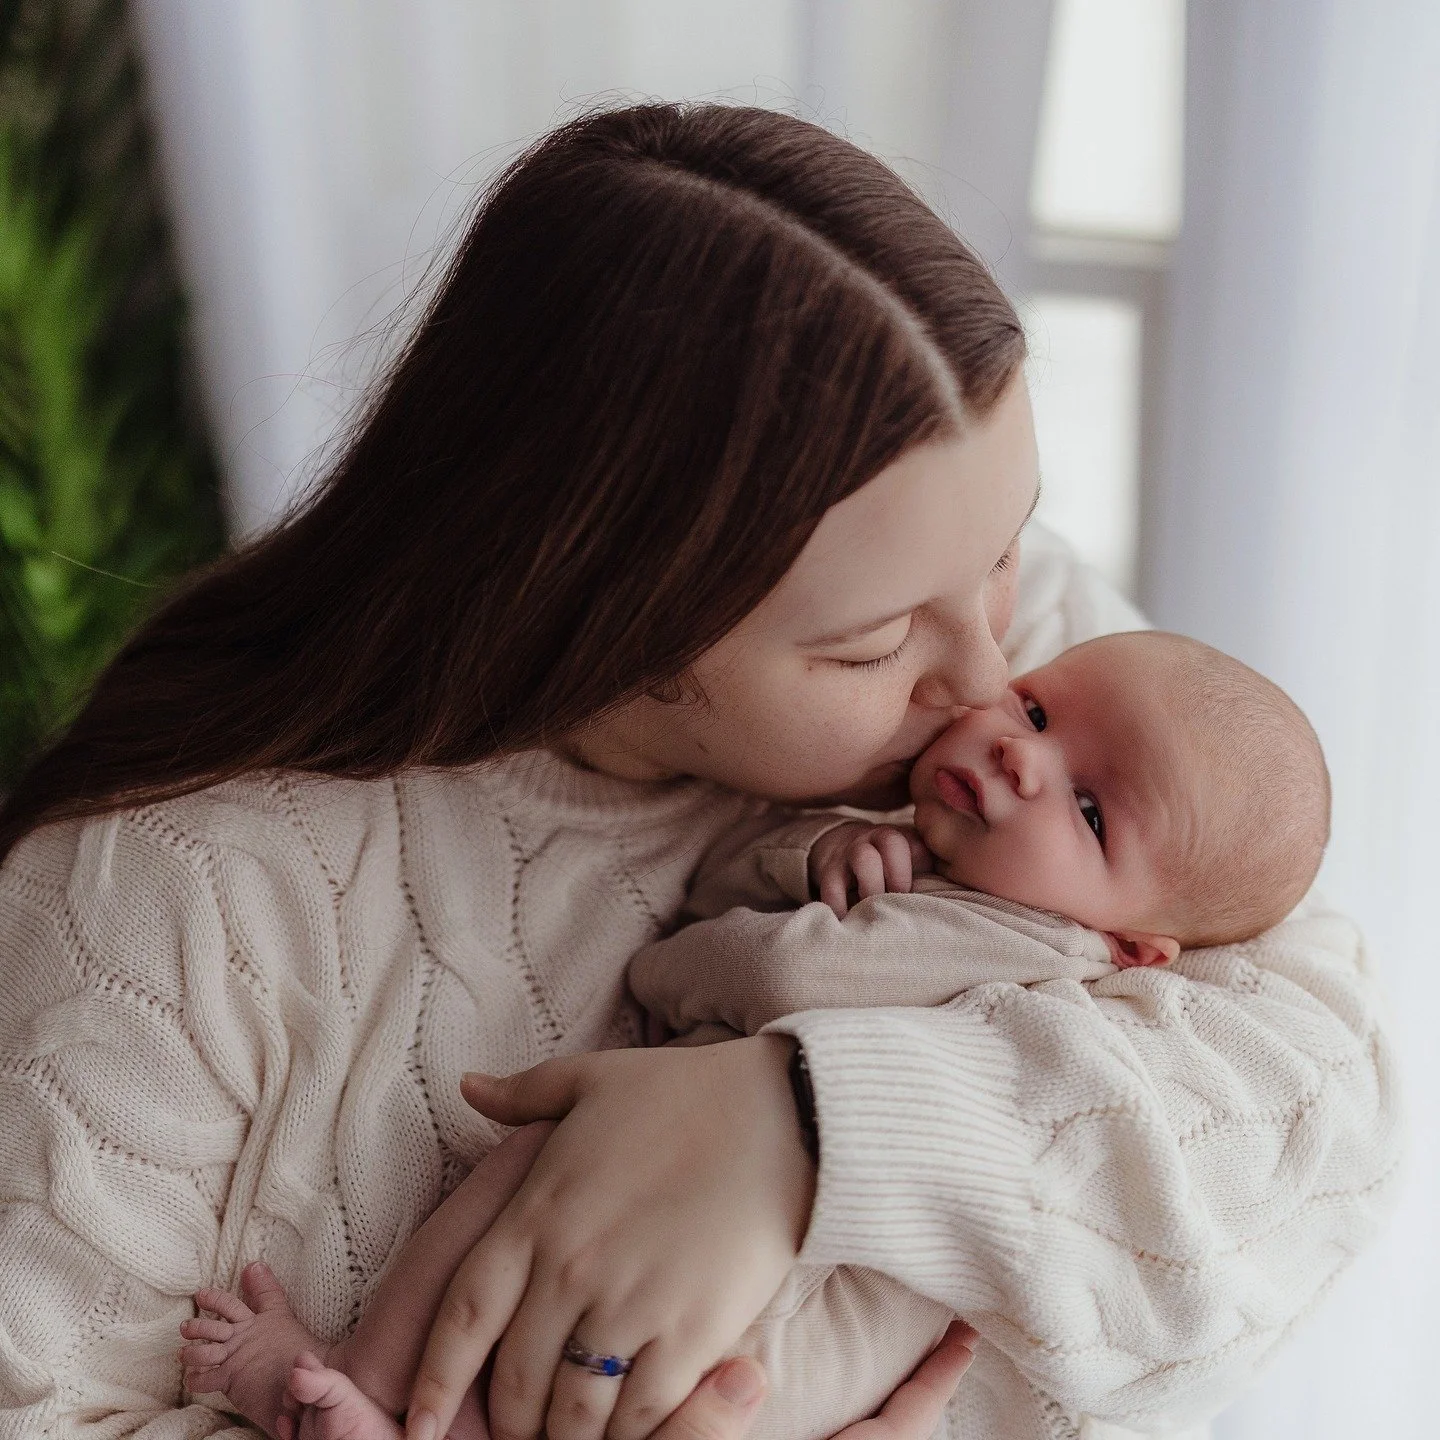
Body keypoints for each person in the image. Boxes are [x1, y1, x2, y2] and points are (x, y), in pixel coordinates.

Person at [0, 103, 1397, 1440]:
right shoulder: (178, 896)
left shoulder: (1028, 670)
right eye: (870, 647)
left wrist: (804, 1125)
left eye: (1005, 551)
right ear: (626, 617)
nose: (985, 682)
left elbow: (1325, 1102)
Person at [174, 630, 1333, 1440]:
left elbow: (745, 964)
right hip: (781, 1317)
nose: (1022, 753)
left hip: (804, 1305)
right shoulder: (920, 860)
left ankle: (364, 1386)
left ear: (1133, 945)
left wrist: (717, 961)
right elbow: (744, 888)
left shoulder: (1018, 949)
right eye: (1036, 707)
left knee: (549, 1172)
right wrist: (813, 855)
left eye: (1088, 810)